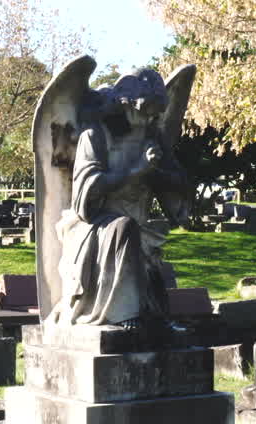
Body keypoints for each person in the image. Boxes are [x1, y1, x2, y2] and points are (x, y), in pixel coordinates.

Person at [51, 69, 191, 331]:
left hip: (136, 224)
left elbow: (178, 183)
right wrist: (136, 171)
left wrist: (155, 172)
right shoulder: (96, 136)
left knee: (135, 237)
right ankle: (123, 313)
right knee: (124, 229)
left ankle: (152, 317)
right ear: (125, 103)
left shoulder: (151, 137)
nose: (148, 118)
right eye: (144, 111)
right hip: (93, 226)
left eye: (154, 114)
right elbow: (86, 193)